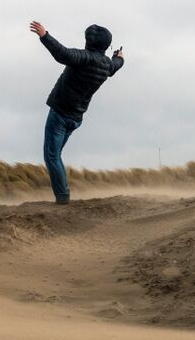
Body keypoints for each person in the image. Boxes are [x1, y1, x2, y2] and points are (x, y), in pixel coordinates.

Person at [29, 20, 124, 204]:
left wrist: (44, 35)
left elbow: (62, 54)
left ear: (89, 42)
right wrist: (120, 57)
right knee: (56, 155)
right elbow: (115, 66)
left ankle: (63, 198)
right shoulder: (106, 64)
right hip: (76, 117)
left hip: (60, 114)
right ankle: (62, 194)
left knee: (51, 156)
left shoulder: (84, 58)